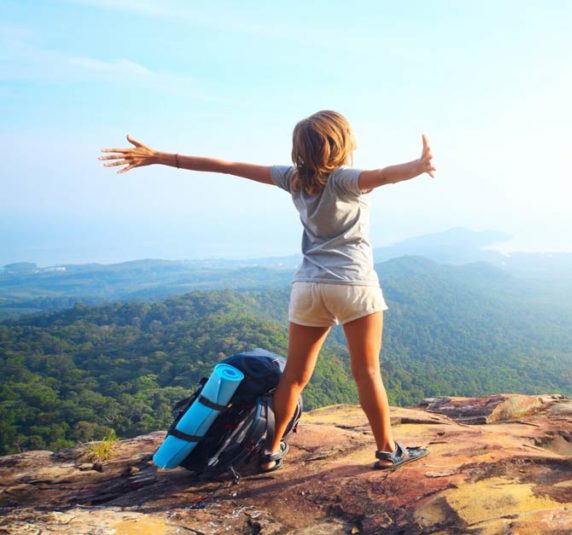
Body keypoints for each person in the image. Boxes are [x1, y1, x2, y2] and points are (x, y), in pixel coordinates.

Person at [98, 110, 435, 471]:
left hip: (308, 287)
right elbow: (385, 175)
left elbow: (227, 166)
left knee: (294, 376)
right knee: (366, 372)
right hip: (353, 283)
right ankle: (387, 450)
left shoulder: (292, 179)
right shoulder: (346, 180)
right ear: (340, 144)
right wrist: (418, 165)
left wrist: (160, 157)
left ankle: (270, 451)